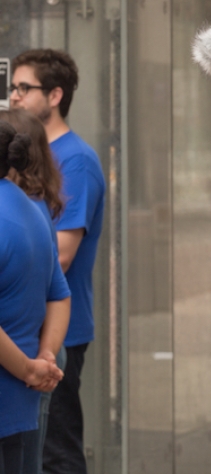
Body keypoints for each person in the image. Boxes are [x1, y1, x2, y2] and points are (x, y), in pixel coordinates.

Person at [10, 49, 106, 474]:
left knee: (57, 454)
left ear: (55, 95)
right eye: (12, 87)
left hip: (56, 333)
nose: (14, 95)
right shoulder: (29, 158)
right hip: (26, 334)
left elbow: (60, 258)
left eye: (24, 87)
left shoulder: (75, 160)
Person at [0, 122, 71, 474]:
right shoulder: (33, 211)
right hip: (23, 400)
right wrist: (45, 355)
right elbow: (59, 295)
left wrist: (31, 368)